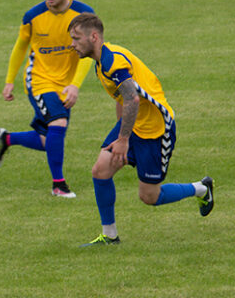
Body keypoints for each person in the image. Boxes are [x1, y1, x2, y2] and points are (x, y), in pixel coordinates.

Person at [67, 13, 214, 246]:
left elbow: (132, 98)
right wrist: (120, 133)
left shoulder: (112, 61)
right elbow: (122, 98)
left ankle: (201, 189)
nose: (72, 44)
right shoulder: (100, 61)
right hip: (133, 125)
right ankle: (110, 236)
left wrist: (124, 140)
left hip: (156, 129)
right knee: (100, 170)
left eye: (76, 39)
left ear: (93, 37)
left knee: (149, 196)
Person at [0, 0, 93, 198]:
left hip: (65, 84)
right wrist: (9, 81)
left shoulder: (83, 15)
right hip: (39, 80)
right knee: (58, 123)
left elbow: (89, 51)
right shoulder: (33, 16)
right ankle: (58, 185)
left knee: (49, 140)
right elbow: (20, 47)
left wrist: (75, 84)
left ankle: (7, 138)